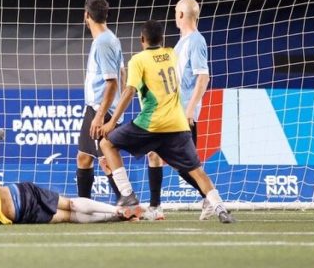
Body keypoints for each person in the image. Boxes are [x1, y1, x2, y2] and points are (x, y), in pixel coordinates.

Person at [98, 20, 235, 224]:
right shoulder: (172, 54)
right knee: (197, 171)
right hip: (178, 124)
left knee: (106, 143)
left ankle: (127, 195)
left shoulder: (138, 60)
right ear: (162, 40)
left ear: (141, 39)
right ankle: (220, 208)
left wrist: (112, 122)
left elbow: (129, 91)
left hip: (151, 124)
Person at [144, 0, 212, 221]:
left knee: (185, 166)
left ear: (182, 15)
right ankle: (155, 207)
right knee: (154, 153)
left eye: (176, 12)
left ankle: (211, 198)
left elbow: (203, 77)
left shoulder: (196, 41)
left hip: (183, 114)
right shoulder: (181, 43)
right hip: (171, 112)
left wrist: (190, 110)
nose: (175, 16)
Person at [0, 169, 140, 225]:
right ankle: (117, 210)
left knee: (67, 217)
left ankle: (117, 217)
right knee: (70, 202)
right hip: (19, 191)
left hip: (18, 213)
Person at [80, 0, 124, 201]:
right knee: (84, 157)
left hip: (101, 110)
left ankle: (126, 201)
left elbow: (112, 82)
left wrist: (100, 116)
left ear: (87, 16)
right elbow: (122, 72)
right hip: (97, 108)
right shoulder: (107, 39)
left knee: (106, 160)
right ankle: (85, 203)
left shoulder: (104, 43)